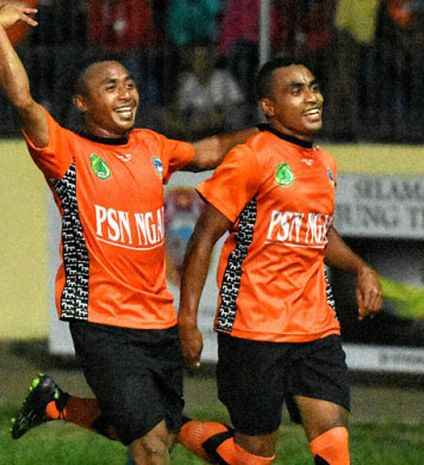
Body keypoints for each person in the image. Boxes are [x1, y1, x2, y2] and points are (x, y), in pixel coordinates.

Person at [0, 4, 257, 465]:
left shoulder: (151, 146)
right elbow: (22, 101)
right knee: (153, 447)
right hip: (102, 323)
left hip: (156, 321)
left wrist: (269, 136)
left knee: (154, 432)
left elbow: (210, 149)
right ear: (82, 103)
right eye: (111, 86)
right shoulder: (67, 152)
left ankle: (56, 403)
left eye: (130, 83)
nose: (126, 93)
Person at [177, 56, 383, 465]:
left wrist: (360, 267)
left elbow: (318, 232)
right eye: (296, 90)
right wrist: (186, 320)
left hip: (315, 328)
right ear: (268, 107)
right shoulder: (252, 157)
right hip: (254, 329)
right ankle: (178, 427)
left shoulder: (324, 163)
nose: (312, 98)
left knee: (333, 443)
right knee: (252, 457)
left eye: (313, 87)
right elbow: (203, 238)